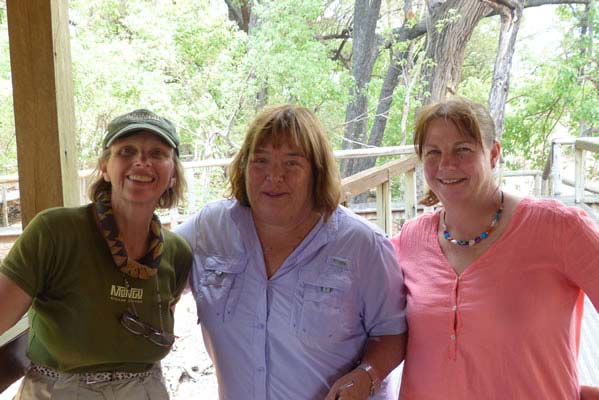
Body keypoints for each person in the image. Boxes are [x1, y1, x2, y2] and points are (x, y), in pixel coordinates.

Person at [175, 104, 407, 400]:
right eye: (260, 161)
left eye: (291, 163)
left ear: (316, 171)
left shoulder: (363, 245)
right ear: (244, 166)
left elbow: (392, 331)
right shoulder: (208, 230)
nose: (274, 175)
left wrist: (367, 375)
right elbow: (153, 274)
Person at [391, 96, 599, 399]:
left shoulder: (559, 228)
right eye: (433, 152)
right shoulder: (411, 239)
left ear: (493, 154)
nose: (446, 163)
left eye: (463, 149)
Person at [0, 109, 192, 399]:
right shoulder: (54, 232)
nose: (142, 161)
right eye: (126, 151)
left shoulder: (176, 253)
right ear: (104, 166)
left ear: (173, 174)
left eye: (158, 153)